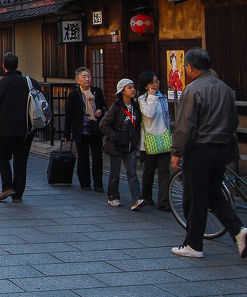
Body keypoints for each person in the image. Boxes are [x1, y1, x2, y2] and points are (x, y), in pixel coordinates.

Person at [171, 48, 247, 259]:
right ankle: (238, 230)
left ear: (189, 67)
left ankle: (194, 244)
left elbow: (185, 125)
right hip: (222, 147)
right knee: (213, 193)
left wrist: (177, 151)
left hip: (200, 148)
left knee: (197, 197)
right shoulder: (225, 88)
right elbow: (234, 120)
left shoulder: (193, 90)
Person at [0, 52, 39, 203]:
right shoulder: (30, 83)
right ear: (17, 65)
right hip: (26, 129)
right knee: (21, 161)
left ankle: (7, 186)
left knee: (2, 157)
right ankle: (18, 195)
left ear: (4, 66)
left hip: (5, 128)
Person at [100, 78, 146, 211]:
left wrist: (136, 139)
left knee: (132, 173)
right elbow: (103, 124)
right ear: (122, 91)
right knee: (115, 173)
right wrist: (115, 136)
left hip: (130, 145)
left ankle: (136, 199)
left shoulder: (136, 107)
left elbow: (137, 125)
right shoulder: (116, 107)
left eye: (133, 87)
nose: (133, 90)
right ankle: (113, 196)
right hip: (116, 145)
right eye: (129, 87)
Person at [63, 66, 107, 192]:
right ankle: (85, 182)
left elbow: (104, 107)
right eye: (84, 77)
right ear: (78, 80)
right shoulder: (74, 95)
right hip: (81, 130)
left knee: (97, 157)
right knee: (83, 157)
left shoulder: (96, 91)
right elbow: (69, 115)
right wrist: (66, 133)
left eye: (88, 76)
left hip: (95, 129)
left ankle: (98, 183)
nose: (87, 79)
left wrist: (100, 111)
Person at [136, 71, 171, 212]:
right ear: (145, 86)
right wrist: (151, 97)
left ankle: (164, 201)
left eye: (157, 81)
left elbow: (166, 117)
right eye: (152, 83)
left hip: (163, 137)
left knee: (164, 172)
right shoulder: (142, 99)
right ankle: (146, 196)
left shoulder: (162, 97)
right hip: (149, 139)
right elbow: (149, 114)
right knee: (149, 171)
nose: (155, 85)